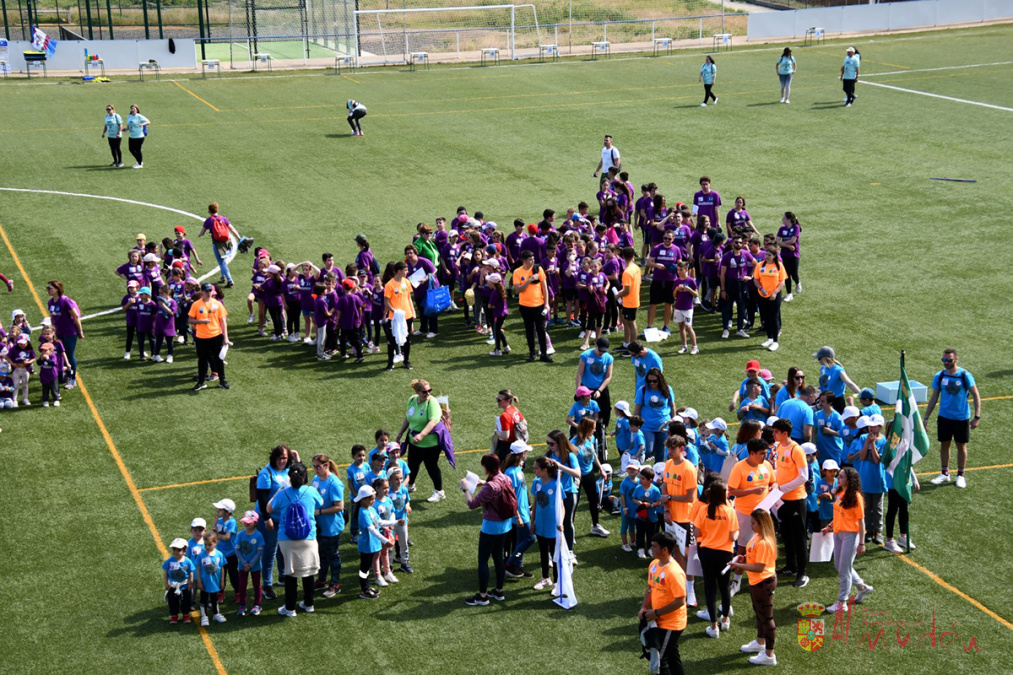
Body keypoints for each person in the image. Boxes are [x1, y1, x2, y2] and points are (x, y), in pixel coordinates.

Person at [267, 461, 324, 618]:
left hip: (286, 539)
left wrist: (279, 490)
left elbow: (269, 508)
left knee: (290, 575)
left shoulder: (282, 493)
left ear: (289, 477)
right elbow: (322, 502)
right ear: (305, 475)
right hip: (309, 537)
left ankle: (290, 608)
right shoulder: (311, 491)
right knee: (308, 572)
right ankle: (309, 603)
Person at [463, 454, 515, 606]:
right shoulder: (505, 478)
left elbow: (472, 504)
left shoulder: (490, 487)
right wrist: (482, 483)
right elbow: (495, 490)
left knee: (483, 560)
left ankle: (482, 596)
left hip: (491, 527)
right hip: (505, 525)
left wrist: (466, 489)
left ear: (487, 467)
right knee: (498, 557)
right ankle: (499, 591)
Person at [925, 348, 981, 489]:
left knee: (961, 445)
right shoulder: (939, 376)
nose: (946, 362)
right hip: (944, 416)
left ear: (956, 359)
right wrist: (926, 417)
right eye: (943, 360)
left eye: (948, 360)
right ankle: (944, 473)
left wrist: (977, 417)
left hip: (961, 417)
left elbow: (976, 395)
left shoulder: (965, 375)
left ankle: (960, 475)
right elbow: (934, 397)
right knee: (945, 444)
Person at [821, 466, 874, 613]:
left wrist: (862, 543)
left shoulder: (856, 497)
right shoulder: (839, 492)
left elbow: (862, 521)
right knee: (840, 566)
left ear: (849, 480)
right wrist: (829, 526)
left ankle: (842, 602)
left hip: (850, 535)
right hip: (838, 534)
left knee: (844, 569)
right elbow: (838, 513)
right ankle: (862, 588)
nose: (838, 478)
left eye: (842, 477)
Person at [729, 509, 778, 666]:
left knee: (767, 618)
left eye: (753, 523)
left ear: (761, 523)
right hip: (757, 582)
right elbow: (753, 557)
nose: (751, 526)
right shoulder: (758, 537)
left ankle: (769, 655)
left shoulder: (764, 542)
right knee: (759, 614)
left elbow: (759, 567)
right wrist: (744, 557)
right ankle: (760, 642)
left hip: (763, 582)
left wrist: (739, 565)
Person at [638, 531, 687, 675]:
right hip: (659, 619)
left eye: (654, 547)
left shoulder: (674, 572)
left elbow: (680, 600)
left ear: (665, 550)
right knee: (672, 657)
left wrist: (657, 612)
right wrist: (644, 607)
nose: (651, 549)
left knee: (660, 660)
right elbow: (650, 588)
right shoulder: (654, 564)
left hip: (672, 623)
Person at [694, 478, 737, 639]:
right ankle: (725, 619)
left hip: (706, 552)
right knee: (724, 587)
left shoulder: (704, 510)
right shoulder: (730, 511)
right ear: (722, 495)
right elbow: (733, 536)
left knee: (710, 588)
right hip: (725, 553)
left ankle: (713, 626)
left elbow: (697, 532)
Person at [772, 419, 810, 587]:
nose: (773, 434)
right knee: (786, 534)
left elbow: (803, 477)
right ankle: (790, 566)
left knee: (799, 537)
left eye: (775, 432)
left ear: (784, 433)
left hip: (796, 500)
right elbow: (778, 469)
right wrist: (774, 484)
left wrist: (782, 488)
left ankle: (802, 572)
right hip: (782, 499)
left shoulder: (797, 450)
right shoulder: (779, 447)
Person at [254, 445, 295, 600]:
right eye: (279, 458)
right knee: (269, 551)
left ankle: (282, 575)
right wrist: (266, 518)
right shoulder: (266, 473)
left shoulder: (289, 470)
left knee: (282, 548)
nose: (282, 461)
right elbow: (262, 498)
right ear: (274, 458)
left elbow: (302, 479)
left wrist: (297, 459)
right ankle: (267, 585)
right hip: (269, 518)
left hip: (283, 518)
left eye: (285, 458)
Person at [397, 379, 446, 503]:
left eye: (430, 390)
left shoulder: (432, 403)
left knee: (431, 466)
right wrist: (400, 433)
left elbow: (433, 421)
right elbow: (407, 417)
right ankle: (411, 484)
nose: (428, 393)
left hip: (430, 443)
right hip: (414, 441)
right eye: (425, 391)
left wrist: (421, 435)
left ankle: (439, 492)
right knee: (412, 464)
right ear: (417, 391)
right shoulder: (412, 400)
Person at [311, 453, 345, 598]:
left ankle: (335, 584)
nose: (315, 469)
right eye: (314, 466)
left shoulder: (334, 483)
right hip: (318, 526)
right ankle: (322, 580)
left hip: (331, 527)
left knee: (333, 556)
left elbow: (339, 506)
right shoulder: (315, 479)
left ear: (326, 466)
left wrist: (318, 512)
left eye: (318, 466)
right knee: (321, 555)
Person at [354, 485, 395, 600]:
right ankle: (364, 590)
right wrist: (385, 541)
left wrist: (395, 522)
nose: (373, 501)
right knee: (364, 569)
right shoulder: (363, 512)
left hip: (373, 544)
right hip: (367, 545)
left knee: (366, 568)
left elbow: (379, 522)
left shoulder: (371, 509)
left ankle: (366, 587)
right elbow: (372, 529)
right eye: (371, 499)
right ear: (363, 500)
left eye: (373, 498)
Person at [188, 283, 230, 391]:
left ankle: (222, 380)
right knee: (202, 360)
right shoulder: (196, 305)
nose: (209, 293)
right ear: (201, 291)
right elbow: (190, 320)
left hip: (216, 335)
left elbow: (223, 321)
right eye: (206, 291)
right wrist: (201, 321)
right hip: (201, 337)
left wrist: (225, 337)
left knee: (218, 359)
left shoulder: (217, 304)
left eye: (210, 291)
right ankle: (201, 382)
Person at [511, 250, 552, 362]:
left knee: (541, 330)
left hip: (539, 305)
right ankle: (532, 353)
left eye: (533, 258)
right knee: (529, 330)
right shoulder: (517, 272)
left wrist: (547, 304)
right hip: (525, 306)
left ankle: (544, 354)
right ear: (523, 260)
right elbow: (518, 289)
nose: (533, 261)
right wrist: (529, 280)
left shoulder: (538, 269)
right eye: (530, 259)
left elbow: (545, 288)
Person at [530, 455, 562, 591]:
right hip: (541, 524)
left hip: (553, 524)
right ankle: (545, 578)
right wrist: (532, 522)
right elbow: (536, 502)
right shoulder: (536, 482)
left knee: (555, 554)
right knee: (543, 552)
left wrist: (561, 522)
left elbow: (562, 505)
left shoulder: (556, 484)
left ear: (544, 470)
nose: (534, 470)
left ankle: (557, 582)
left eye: (536, 468)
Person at [45, 280, 84, 390]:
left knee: (69, 355)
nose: (48, 290)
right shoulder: (50, 302)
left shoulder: (65, 301)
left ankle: (72, 378)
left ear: (57, 288)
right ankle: (64, 373)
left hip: (69, 332)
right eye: (47, 288)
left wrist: (80, 331)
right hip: (58, 332)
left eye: (50, 288)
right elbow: (52, 317)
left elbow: (76, 316)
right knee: (60, 354)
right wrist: (53, 331)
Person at [633, 368, 676, 462]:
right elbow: (637, 408)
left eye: (654, 381)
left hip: (664, 425)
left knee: (660, 452)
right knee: (648, 450)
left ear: (660, 380)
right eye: (649, 381)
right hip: (647, 425)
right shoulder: (643, 390)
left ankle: (657, 473)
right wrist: (635, 423)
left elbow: (672, 406)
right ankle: (635, 466)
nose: (652, 383)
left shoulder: (668, 389)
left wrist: (674, 421)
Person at [718, 236, 754, 340]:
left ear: (742, 244)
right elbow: (722, 274)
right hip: (730, 283)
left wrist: (750, 276)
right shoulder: (727, 256)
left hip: (741, 283)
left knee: (741, 307)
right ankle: (725, 329)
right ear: (732, 244)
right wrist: (723, 290)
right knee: (726, 307)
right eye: (736, 242)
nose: (738, 244)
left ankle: (739, 329)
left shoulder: (746, 254)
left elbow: (756, 264)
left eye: (740, 242)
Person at [198, 203, 241, 289]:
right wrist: (239, 237)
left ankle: (230, 280)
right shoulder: (223, 218)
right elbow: (232, 229)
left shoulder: (209, 220)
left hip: (217, 244)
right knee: (223, 260)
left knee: (221, 262)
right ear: (217, 210)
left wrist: (199, 235)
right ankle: (223, 276)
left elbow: (202, 233)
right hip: (227, 242)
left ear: (209, 211)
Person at [383, 261, 416, 371]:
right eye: (405, 270)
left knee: (407, 340)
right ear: (399, 271)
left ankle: (406, 361)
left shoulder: (407, 282)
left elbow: (409, 298)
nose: (407, 272)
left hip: (407, 316)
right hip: (395, 318)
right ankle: (390, 363)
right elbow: (386, 302)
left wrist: (413, 312)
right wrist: (394, 311)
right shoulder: (389, 285)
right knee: (392, 341)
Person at [753, 246, 786, 351]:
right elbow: (756, 279)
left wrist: (775, 292)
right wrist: (761, 289)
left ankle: (775, 341)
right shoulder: (760, 265)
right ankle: (769, 338)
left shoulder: (779, 266)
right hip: (762, 295)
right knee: (765, 317)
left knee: (774, 317)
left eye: (769, 255)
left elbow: (782, 282)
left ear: (774, 256)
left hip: (774, 296)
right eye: (766, 254)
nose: (766, 256)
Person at [813, 345, 861, 413]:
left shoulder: (838, 370)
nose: (818, 360)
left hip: (836, 403)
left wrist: (861, 393)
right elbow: (826, 384)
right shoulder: (823, 368)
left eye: (819, 358)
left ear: (825, 358)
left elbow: (850, 383)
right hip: (824, 400)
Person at [234, 510, 264, 616]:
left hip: (254, 566)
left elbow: (259, 551)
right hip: (242, 566)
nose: (246, 523)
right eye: (245, 521)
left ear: (255, 523)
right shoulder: (240, 534)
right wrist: (243, 562)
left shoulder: (258, 535)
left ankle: (257, 604)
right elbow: (237, 550)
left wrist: (250, 564)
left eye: (249, 521)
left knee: (257, 585)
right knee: (242, 585)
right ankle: (242, 605)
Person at [162, 538, 196, 625]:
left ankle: (185, 614)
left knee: (186, 601)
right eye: (174, 549)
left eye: (179, 550)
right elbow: (165, 572)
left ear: (185, 551)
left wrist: (190, 583)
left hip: (184, 585)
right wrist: (166, 583)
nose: (176, 552)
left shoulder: (187, 561)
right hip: (173, 586)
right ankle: (174, 615)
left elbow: (191, 572)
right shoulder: (170, 560)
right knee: (173, 601)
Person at [196, 531, 227, 626]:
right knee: (204, 599)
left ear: (216, 542)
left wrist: (222, 581)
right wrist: (199, 582)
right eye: (206, 544)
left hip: (215, 582)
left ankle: (216, 614)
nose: (207, 547)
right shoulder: (201, 555)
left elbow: (222, 568)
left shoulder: (219, 554)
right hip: (205, 582)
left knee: (214, 598)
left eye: (210, 544)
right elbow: (198, 568)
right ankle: (204, 616)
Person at [615, 246, 642, 352]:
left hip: (630, 301)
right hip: (632, 299)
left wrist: (617, 295)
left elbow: (627, 290)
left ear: (623, 256)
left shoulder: (627, 272)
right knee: (626, 322)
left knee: (631, 323)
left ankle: (633, 348)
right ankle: (626, 344)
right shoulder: (636, 268)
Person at [493, 389, 526, 462]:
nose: (497, 402)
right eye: (497, 399)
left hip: (508, 447)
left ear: (508, 401)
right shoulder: (515, 409)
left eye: (499, 400)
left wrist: (496, 432)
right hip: (518, 444)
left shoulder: (504, 416)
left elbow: (505, 436)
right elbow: (524, 423)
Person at [776, 212, 802, 301]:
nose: (782, 219)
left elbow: (792, 240)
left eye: (784, 218)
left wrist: (782, 244)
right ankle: (789, 293)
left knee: (794, 272)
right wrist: (787, 246)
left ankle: (798, 283)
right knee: (786, 273)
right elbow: (777, 241)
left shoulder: (796, 227)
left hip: (794, 253)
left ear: (789, 219)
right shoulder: (781, 228)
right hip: (784, 253)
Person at [125, 104, 149, 168]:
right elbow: (128, 125)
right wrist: (126, 129)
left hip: (139, 136)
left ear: (136, 110)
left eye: (134, 109)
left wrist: (142, 124)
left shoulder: (139, 116)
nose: (133, 110)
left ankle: (140, 163)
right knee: (131, 149)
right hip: (131, 136)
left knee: (138, 150)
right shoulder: (129, 116)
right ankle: (139, 161)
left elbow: (148, 122)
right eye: (132, 109)